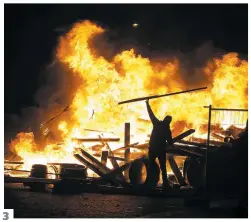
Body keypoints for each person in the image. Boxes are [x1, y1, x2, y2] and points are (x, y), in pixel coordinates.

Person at [145, 99, 174, 188]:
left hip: (153, 148)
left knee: (150, 165)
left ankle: (150, 182)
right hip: (160, 149)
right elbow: (170, 142)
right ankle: (165, 183)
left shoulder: (157, 123)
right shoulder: (167, 130)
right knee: (163, 167)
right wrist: (172, 145)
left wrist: (147, 104)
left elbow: (151, 114)